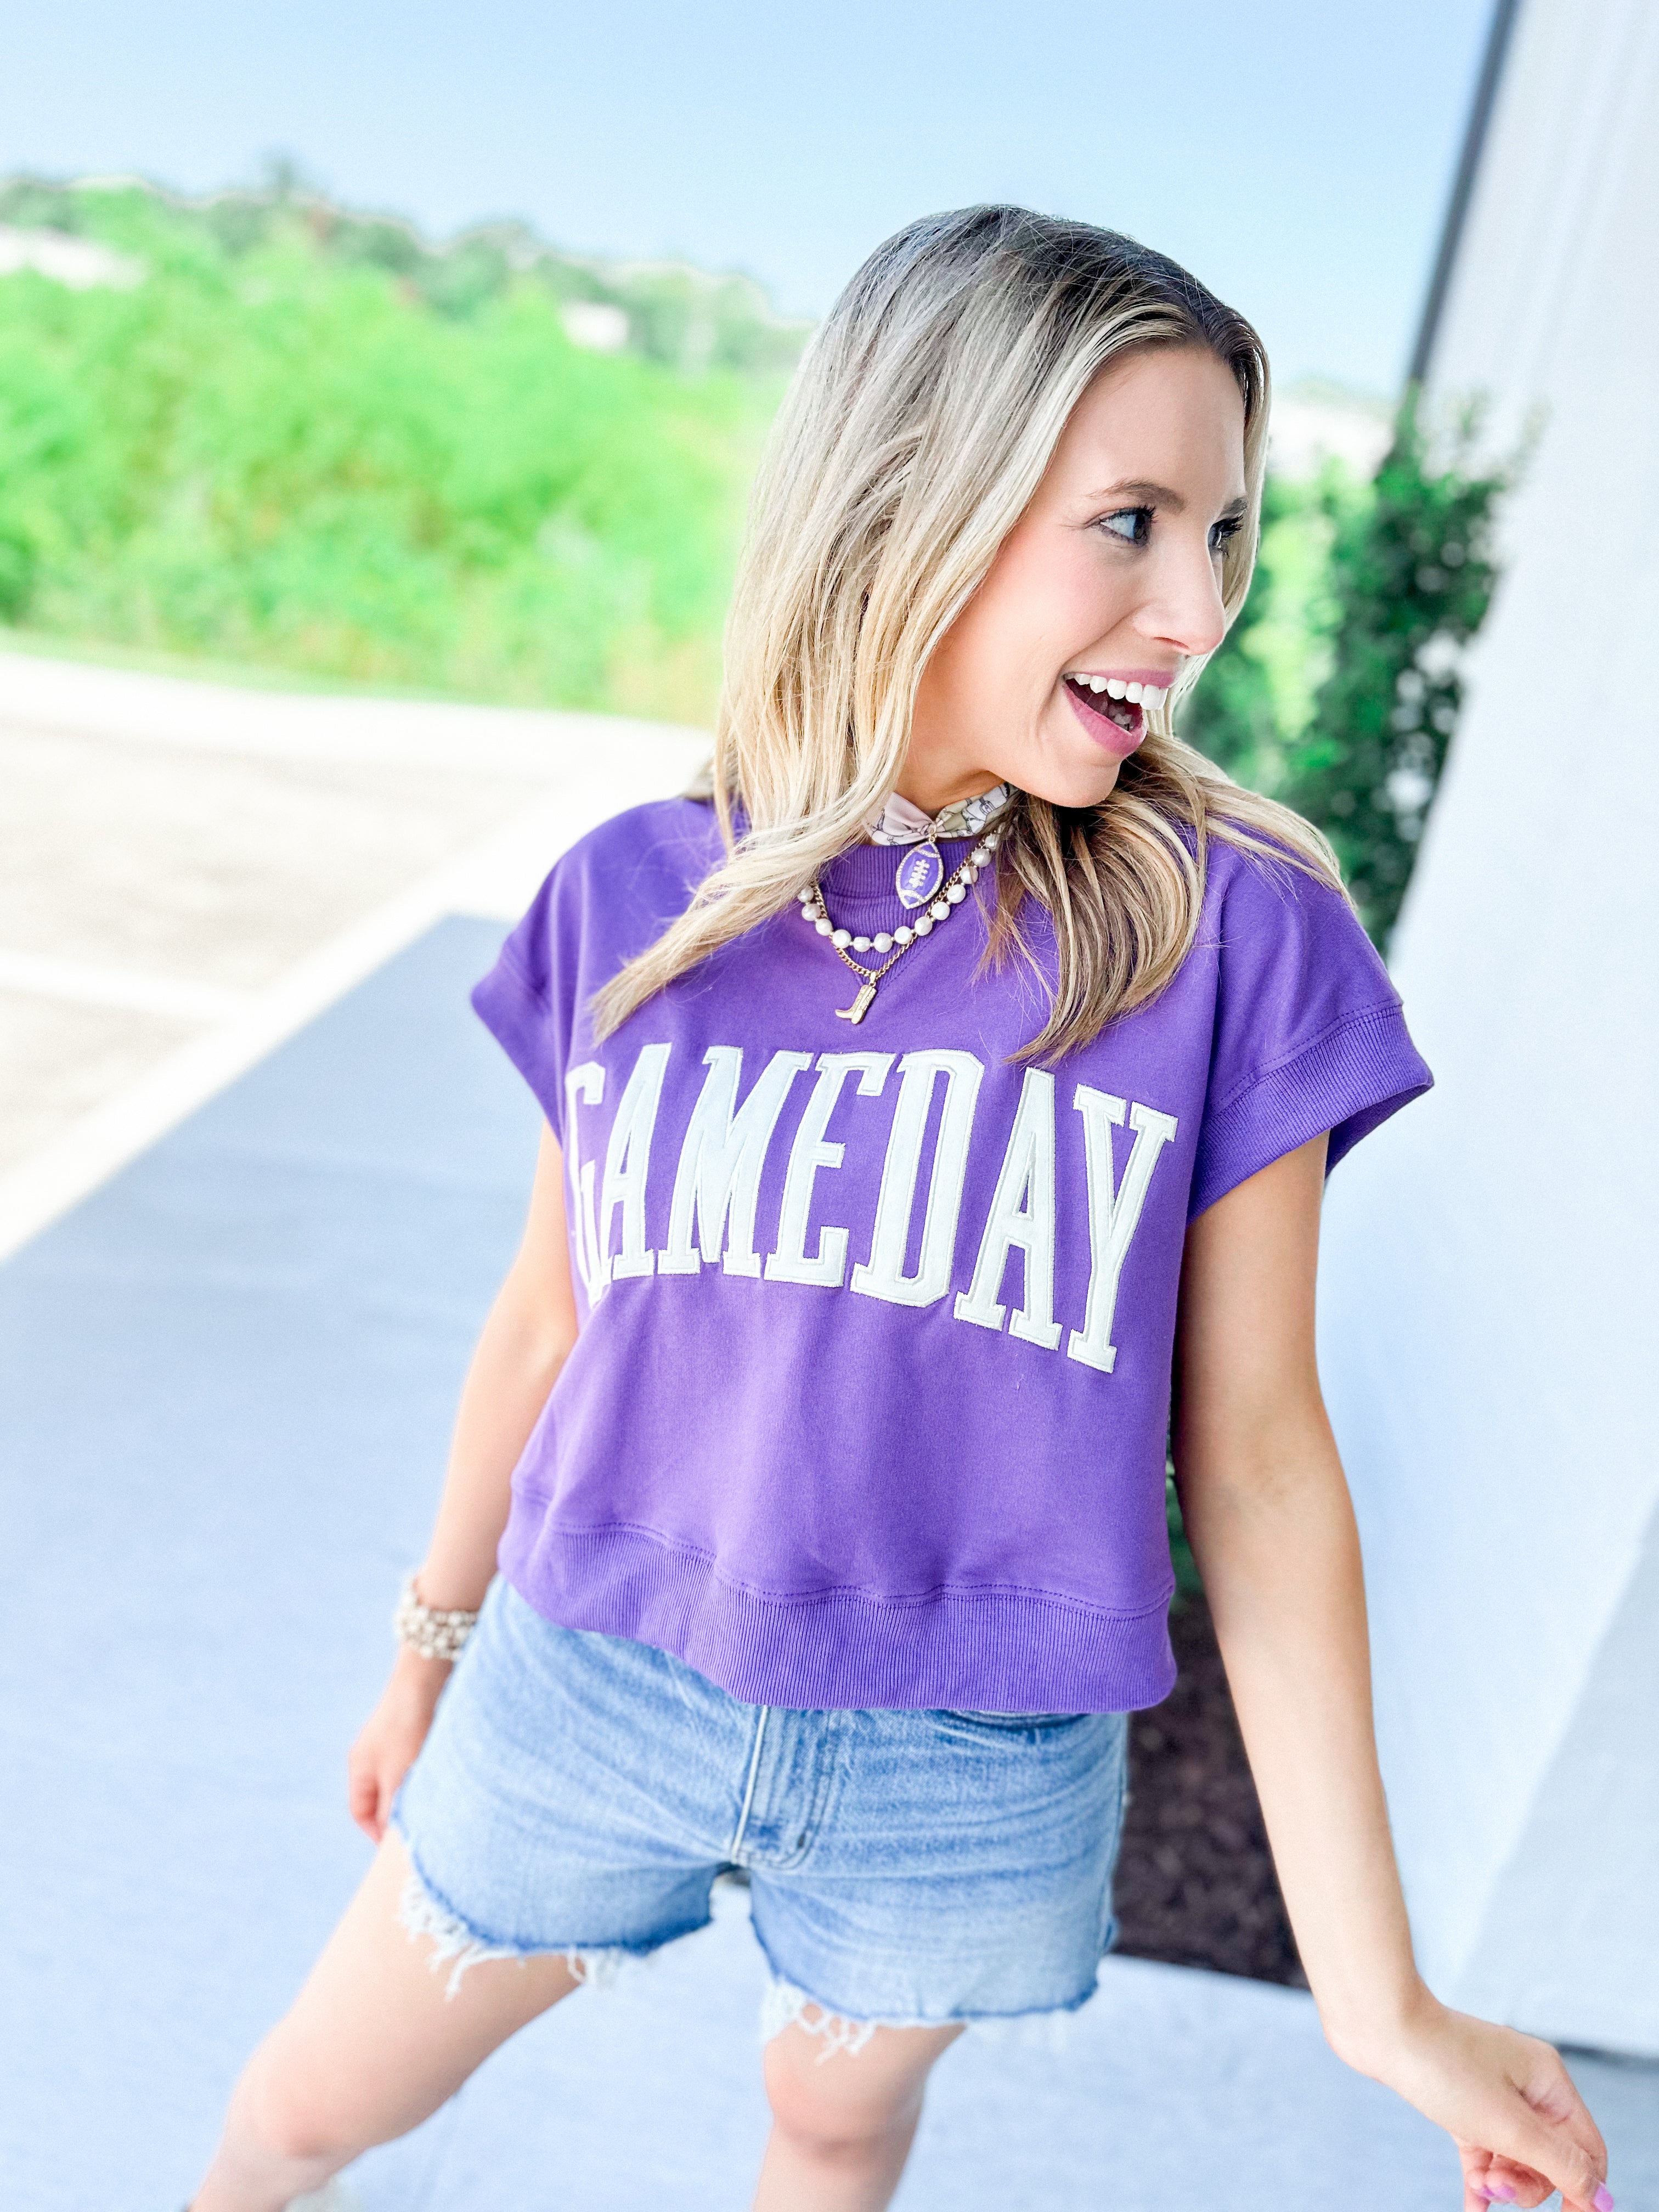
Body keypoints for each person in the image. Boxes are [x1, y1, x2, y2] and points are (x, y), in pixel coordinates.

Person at [189, 206, 1613, 2212]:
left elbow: (1261, 1461)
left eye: (1225, 535)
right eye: (1130, 523)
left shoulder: (1232, 940)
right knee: (307, 2112)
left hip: (970, 1773)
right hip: (593, 1680)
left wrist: (1377, 2005)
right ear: (913, 499)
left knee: (834, 2128)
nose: (1196, 609)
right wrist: (428, 1643)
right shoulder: (642, 896)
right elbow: (545, 1321)